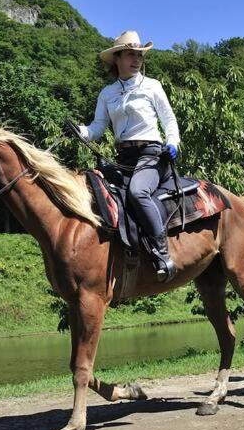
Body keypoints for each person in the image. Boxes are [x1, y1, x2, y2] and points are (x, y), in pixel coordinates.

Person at [74, 30, 181, 282]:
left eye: (139, 55)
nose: (136, 60)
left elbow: (169, 120)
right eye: (131, 55)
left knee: (138, 192)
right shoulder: (107, 93)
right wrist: (79, 131)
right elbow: (97, 128)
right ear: (117, 59)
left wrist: (173, 141)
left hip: (152, 154)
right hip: (123, 158)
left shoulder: (152, 86)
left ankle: (162, 252)